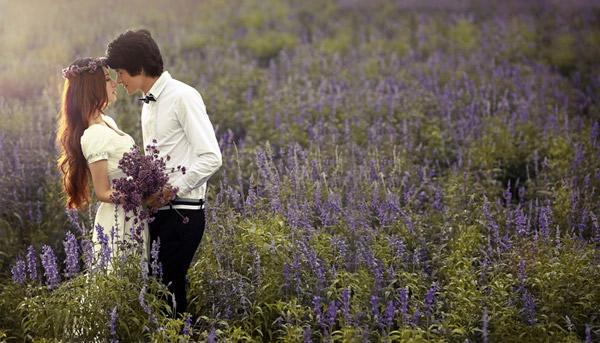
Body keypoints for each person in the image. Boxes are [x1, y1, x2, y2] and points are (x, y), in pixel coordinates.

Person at [105, 29, 222, 315]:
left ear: (139, 67)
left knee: (169, 291)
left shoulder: (183, 97)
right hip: (158, 211)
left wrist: (172, 189)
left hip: (184, 212)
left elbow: (211, 157)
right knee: (160, 293)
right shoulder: (147, 104)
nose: (118, 81)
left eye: (121, 73)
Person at [56, 57, 148, 265]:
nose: (115, 83)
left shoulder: (107, 121)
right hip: (119, 222)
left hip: (133, 216)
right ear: (93, 88)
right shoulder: (94, 135)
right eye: (107, 79)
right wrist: (140, 193)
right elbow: (103, 192)